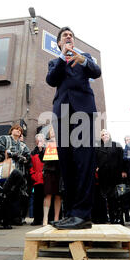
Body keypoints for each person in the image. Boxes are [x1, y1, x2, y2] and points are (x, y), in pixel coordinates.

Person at [45, 27, 101, 230]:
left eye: (71, 35)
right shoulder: (54, 61)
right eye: (64, 36)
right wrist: (62, 57)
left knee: (83, 163)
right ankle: (70, 214)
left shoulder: (84, 57)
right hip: (62, 116)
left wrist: (83, 60)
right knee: (67, 164)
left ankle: (83, 215)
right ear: (59, 43)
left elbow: (97, 72)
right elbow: (52, 80)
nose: (68, 37)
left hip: (83, 114)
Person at [0, 124, 31, 227]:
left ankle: (8, 219)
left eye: (20, 130)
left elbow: (28, 158)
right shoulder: (4, 138)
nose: (18, 131)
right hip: (3, 170)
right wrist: (9, 154)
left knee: (13, 195)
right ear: (11, 130)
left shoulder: (23, 145)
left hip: (17, 172)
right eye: (16, 129)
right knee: (1, 192)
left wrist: (21, 158)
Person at [95, 129, 125, 225]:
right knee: (108, 198)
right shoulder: (98, 148)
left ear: (110, 135)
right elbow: (95, 160)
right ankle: (112, 218)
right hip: (104, 177)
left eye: (106, 134)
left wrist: (123, 171)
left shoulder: (117, 145)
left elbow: (122, 159)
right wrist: (96, 167)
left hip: (116, 176)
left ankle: (120, 219)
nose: (104, 136)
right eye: (103, 135)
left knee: (118, 198)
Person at [41, 126, 62, 226]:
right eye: (52, 130)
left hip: (59, 171)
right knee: (48, 194)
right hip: (49, 170)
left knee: (58, 195)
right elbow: (41, 158)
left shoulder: (62, 143)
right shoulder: (46, 142)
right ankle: (45, 219)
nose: (54, 132)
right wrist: (41, 149)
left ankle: (56, 218)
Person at [29, 133, 45, 226]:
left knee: (46, 199)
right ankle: (37, 219)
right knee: (37, 201)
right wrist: (34, 176)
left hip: (46, 179)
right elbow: (31, 167)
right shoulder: (32, 153)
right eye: (38, 140)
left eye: (41, 140)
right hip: (37, 180)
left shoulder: (47, 151)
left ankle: (46, 218)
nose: (40, 142)